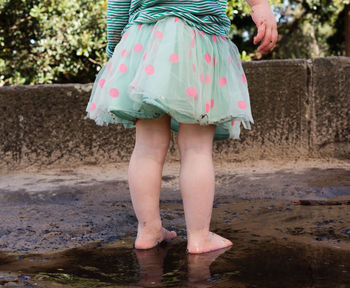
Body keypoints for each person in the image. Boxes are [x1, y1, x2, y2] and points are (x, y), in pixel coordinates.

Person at [85, 0, 278, 254]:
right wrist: (260, 6)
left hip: (143, 39)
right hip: (197, 36)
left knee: (147, 147)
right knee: (196, 147)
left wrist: (116, 49)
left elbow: (119, 4)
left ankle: (148, 230)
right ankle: (199, 237)